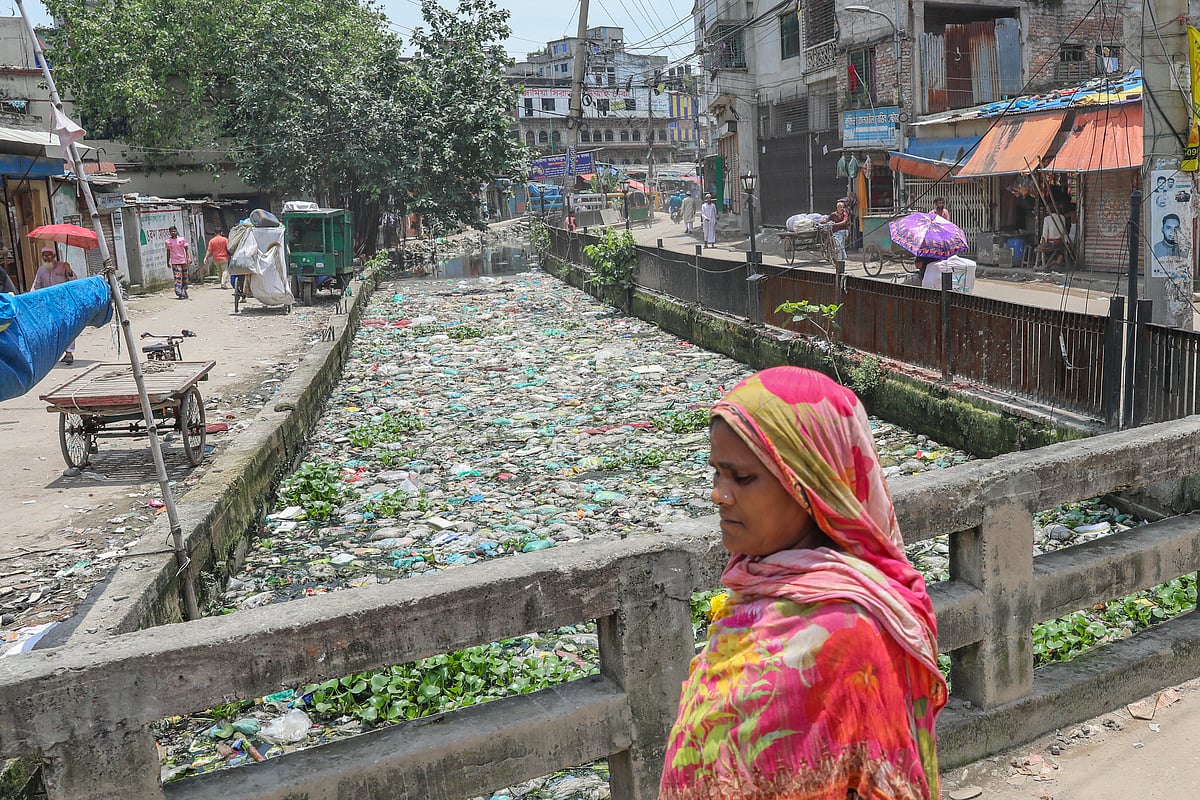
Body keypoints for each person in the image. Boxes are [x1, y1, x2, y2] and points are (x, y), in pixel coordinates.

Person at [660, 367, 947, 800]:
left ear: (807, 486)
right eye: (717, 473)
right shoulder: (752, 590)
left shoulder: (851, 629)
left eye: (742, 477)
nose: (719, 494)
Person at [32, 245, 77, 364]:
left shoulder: (63, 266)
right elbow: (36, 286)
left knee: (68, 327)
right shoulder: (41, 270)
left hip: (63, 302)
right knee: (52, 329)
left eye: (49, 255)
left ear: (54, 256)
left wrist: (69, 271)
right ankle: (54, 354)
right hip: (48, 304)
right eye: (44, 255)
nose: (47, 257)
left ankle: (69, 353)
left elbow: (75, 281)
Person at [165, 225, 192, 299]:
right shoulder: (168, 242)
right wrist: (168, 262)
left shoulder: (182, 239)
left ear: (176, 231)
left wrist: (189, 257)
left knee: (185, 277)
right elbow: (168, 252)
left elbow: (186, 249)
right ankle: (178, 291)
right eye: (171, 232)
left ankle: (183, 291)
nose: (173, 233)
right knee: (178, 277)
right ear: (169, 233)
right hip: (175, 262)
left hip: (183, 261)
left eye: (174, 231)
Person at [824, 198, 851, 270]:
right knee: (839, 246)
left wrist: (835, 224)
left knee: (841, 245)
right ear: (837, 208)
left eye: (842, 207)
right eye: (840, 207)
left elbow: (844, 222)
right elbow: (826, 220)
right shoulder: (833, 214)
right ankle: (841, 260)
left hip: (844, 231)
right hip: (836, 232)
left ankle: (842, 260)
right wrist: (819, 223)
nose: (841, 208)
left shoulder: (845, 214)